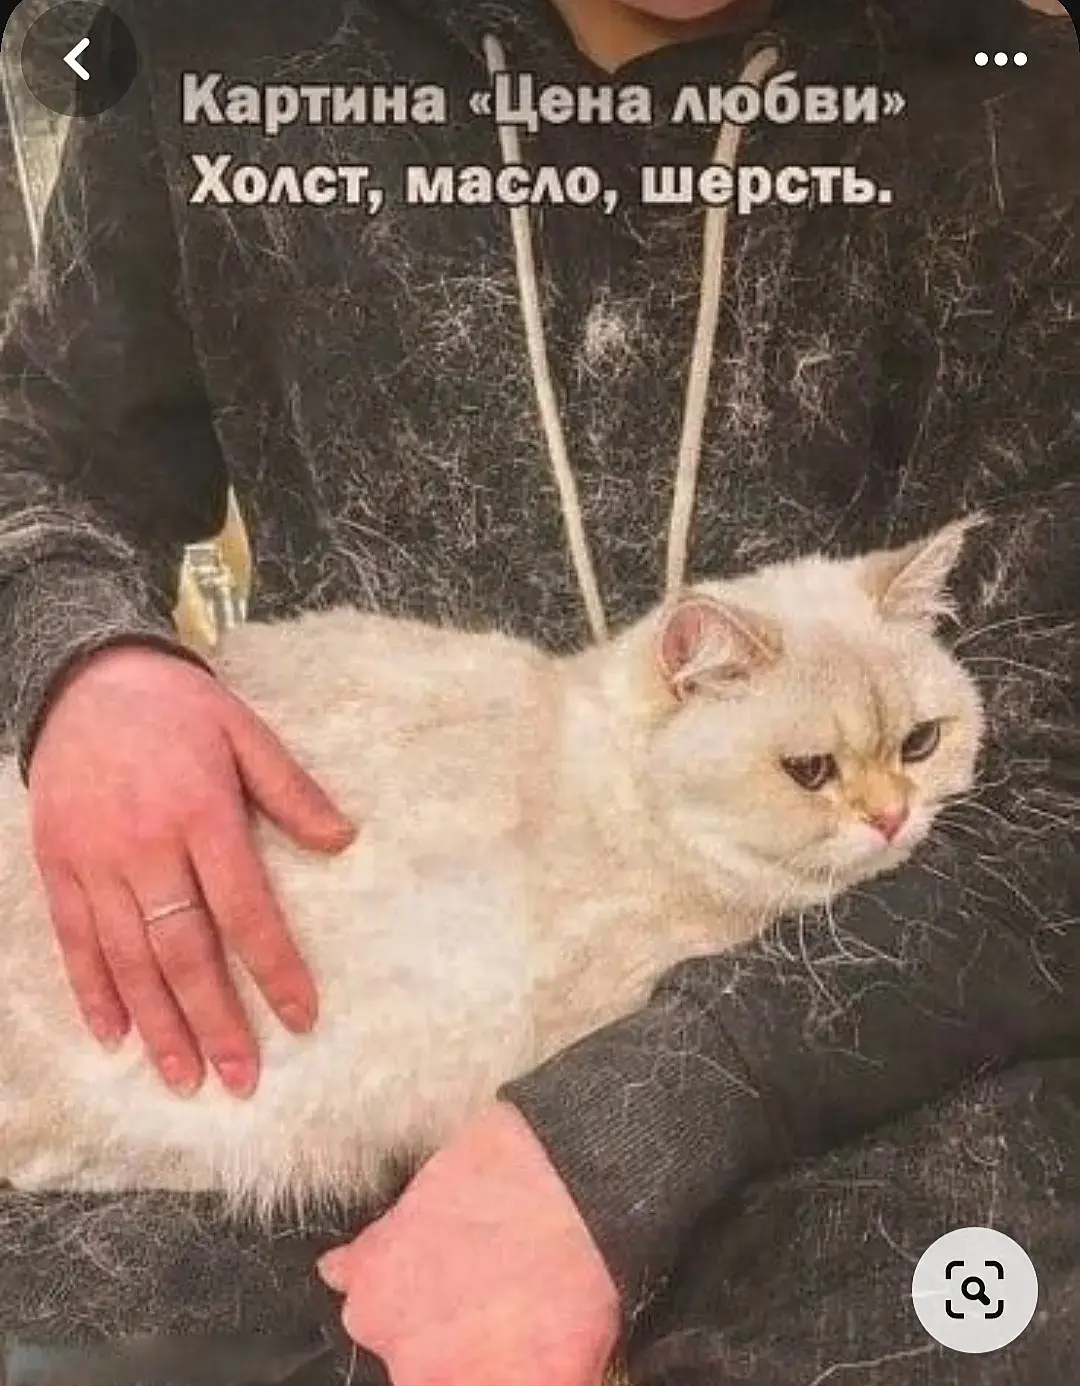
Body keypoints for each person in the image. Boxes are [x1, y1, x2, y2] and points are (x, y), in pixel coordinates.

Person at [0, 0, 1075, 1381]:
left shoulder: (1019, 111)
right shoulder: (220, 42)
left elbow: (1059, 783)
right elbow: (41, 452)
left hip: (871, 1053)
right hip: (291, 1028)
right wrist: (84, 657)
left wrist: (634, 1119)